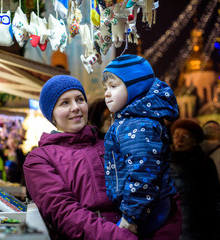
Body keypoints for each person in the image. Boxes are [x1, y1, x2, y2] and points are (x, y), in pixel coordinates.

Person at [23, 75, 182, 240]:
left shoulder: (111, 144)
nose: (76, 107)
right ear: (51, 114)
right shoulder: (39, 159)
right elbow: (65, 213)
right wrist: (123, 237)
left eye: (79, 99)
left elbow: (157, 188)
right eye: (65, 103)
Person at [101, 54, 180, 237]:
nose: (106, 93)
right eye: (105, 87)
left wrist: (131, 217)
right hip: (142, 208)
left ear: (135, 87)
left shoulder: (138, 125)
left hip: (146, 211)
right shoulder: (130, 120)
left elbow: (143, 173)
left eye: (114, 86)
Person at [170, 118, 220, 240]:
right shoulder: (167, 164)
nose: (179, 139)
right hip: (178, 229)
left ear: (195, 140)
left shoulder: (206, 163)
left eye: (185, 135)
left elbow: (215, 197)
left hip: (204, 228)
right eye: (176, 135)